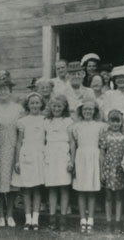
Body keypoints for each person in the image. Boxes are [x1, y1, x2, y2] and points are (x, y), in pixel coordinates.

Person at [0, 71, 23, 228]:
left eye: (6, 88)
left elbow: (21, 130)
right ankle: (0, 214)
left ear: (10, 90)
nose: (3, 92)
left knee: (12, 182)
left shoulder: (18, 108)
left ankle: (10, 213)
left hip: (13, 146)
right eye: (0, 89)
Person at [70, 99, 106, 233]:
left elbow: (102, 146)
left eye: (90, 109)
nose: (87, 111)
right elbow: (73, 146)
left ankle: (90, 219)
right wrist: (72, 162)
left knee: (91, 190)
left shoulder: (100, 126)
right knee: (81, 190)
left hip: (94, 157)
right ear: (81, 111)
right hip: (81, 157)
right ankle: (82, 219)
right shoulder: (76, 126)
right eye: (85, 109)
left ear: (95, 111)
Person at [11, 92, 45, 231]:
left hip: (40, 155)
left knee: (37, 189)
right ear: (28, 105)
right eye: (32, 103)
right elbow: (19, 142)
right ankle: (27, 219)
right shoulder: (23, 121)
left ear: (41, 104)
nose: (35, 105)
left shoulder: (45, 120)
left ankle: (35, 220)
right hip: (26, 154)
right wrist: (17, 161)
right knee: (26, 190)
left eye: (37, 102)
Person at [43, 94, 73, 231]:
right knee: (52, 188)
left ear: (64, 107)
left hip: (63, 156)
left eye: (59, 106)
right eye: (54, 106)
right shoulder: (46, 121)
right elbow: (43, 140)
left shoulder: (68, 121)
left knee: (64, 187)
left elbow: (72, 142)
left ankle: (63, 219)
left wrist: (71, 160)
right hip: (50, 156)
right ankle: (52, 218)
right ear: (50, 106)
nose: (56, 108)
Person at [99, 109, 124, 233]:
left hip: (120, 169)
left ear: (121, 122)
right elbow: (101, 154)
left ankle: (117, 222)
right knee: (108, 197)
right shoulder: (105, 136)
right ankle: (108, 222)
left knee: (119, 197)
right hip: (108, 168)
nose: (115, 124)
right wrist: (102, 171)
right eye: (113, 121)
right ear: (108, 122)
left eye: (118, 121)